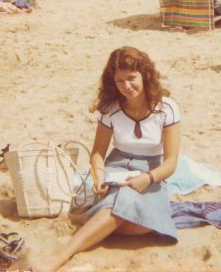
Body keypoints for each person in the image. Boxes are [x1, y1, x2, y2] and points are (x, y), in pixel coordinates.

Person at [42, 47, 180, 271]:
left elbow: (171, 162)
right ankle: (62, 255)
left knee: (143, 226)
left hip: (150, 172)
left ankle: (90, 220)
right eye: (119, 81)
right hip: (118, 167)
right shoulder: (111, 109)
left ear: (144, 75)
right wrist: (99, 176)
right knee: (125, 202)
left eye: (131, 78)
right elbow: (98, 152)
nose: (127, 86)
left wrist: (147, 178)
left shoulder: (166, 108)